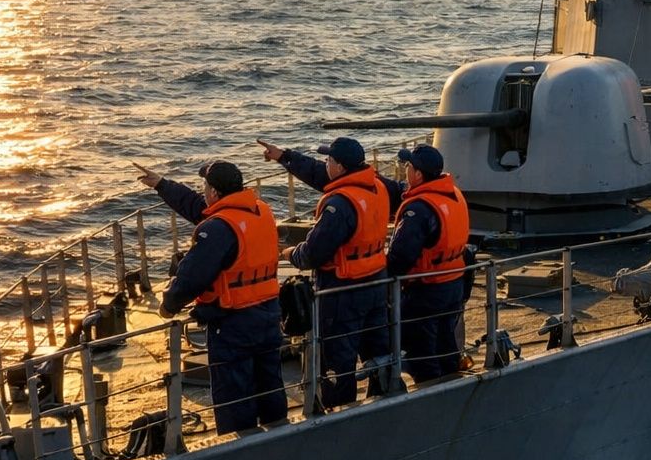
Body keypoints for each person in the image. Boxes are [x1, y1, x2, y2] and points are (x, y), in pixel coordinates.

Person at [136, 160, 286, 434]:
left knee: (233, 392)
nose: (203, 191)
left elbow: (191, 278)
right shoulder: (260, 211)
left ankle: (240, 447)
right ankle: (280, 434)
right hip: (267, 312)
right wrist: (162, 184)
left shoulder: (217, 228)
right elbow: (200, 210)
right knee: (269, 382)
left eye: (205, 186)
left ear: (215, 192)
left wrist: (168, 305)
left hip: (233, 322)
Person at [258, 135, 401, 408]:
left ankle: (339, 413)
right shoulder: (376, 187)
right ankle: (387, 399)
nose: (325, 164)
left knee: (337, 358)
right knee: (378, 349)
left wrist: (291, 254)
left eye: (329, 160)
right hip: (375, 283)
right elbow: (316, 173)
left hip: (341, 291)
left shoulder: (340, 205)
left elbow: (314, 252)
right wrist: (284, 156)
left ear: (339, 166)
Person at [388, 144, 470, 383]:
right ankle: (451, 380)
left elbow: (401, 255)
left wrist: (384, 279)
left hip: (428, 288)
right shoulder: (452, 193)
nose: (405, 171)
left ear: (418, 174)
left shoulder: (419, 209)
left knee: (422, 348)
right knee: (445, 341)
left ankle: (431, 393)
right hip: (454, 281)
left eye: (408, 167)